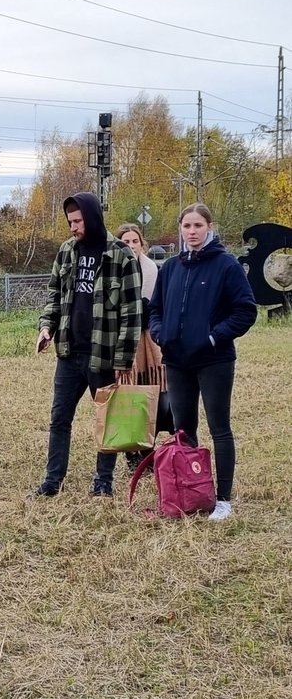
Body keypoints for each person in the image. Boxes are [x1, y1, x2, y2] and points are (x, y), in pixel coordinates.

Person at [148, 203, 257, 522]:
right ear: (180, 229)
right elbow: (155, 309)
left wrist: (213, 337)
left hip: (214, 361)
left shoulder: (226, 265)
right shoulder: (170, 267)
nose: (192, 231)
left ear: (209, 227)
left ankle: (223, 499)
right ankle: (189, 489)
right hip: (177, 361)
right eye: (187, 226)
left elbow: (245, 311)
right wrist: (159, 333)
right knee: (183, 429)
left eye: (198, 225)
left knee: (219, 427)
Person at [35, 192, 142, 497]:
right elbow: (54, 295)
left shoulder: (121, 254)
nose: (73, 227)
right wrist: (47, 327)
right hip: (68, 354)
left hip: (104, 356)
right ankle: (52, 482)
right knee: (59, 419)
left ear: (93, 217)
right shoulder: (67, 251)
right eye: (70, 221)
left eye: (78, 220)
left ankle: (103, 482)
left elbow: (131, 313)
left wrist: (123, 360)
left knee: (106, 419)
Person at [115, 223, 174, 470]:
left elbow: (162, 305)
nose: (131, 246)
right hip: (124, 340)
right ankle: (132, 453)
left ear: (142, 244)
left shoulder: (153, 271)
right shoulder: (112, 273)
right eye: (125, 242)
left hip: (151, 340)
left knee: (157, 394)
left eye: (135, 241)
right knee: (129, 398)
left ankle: (153, 450)